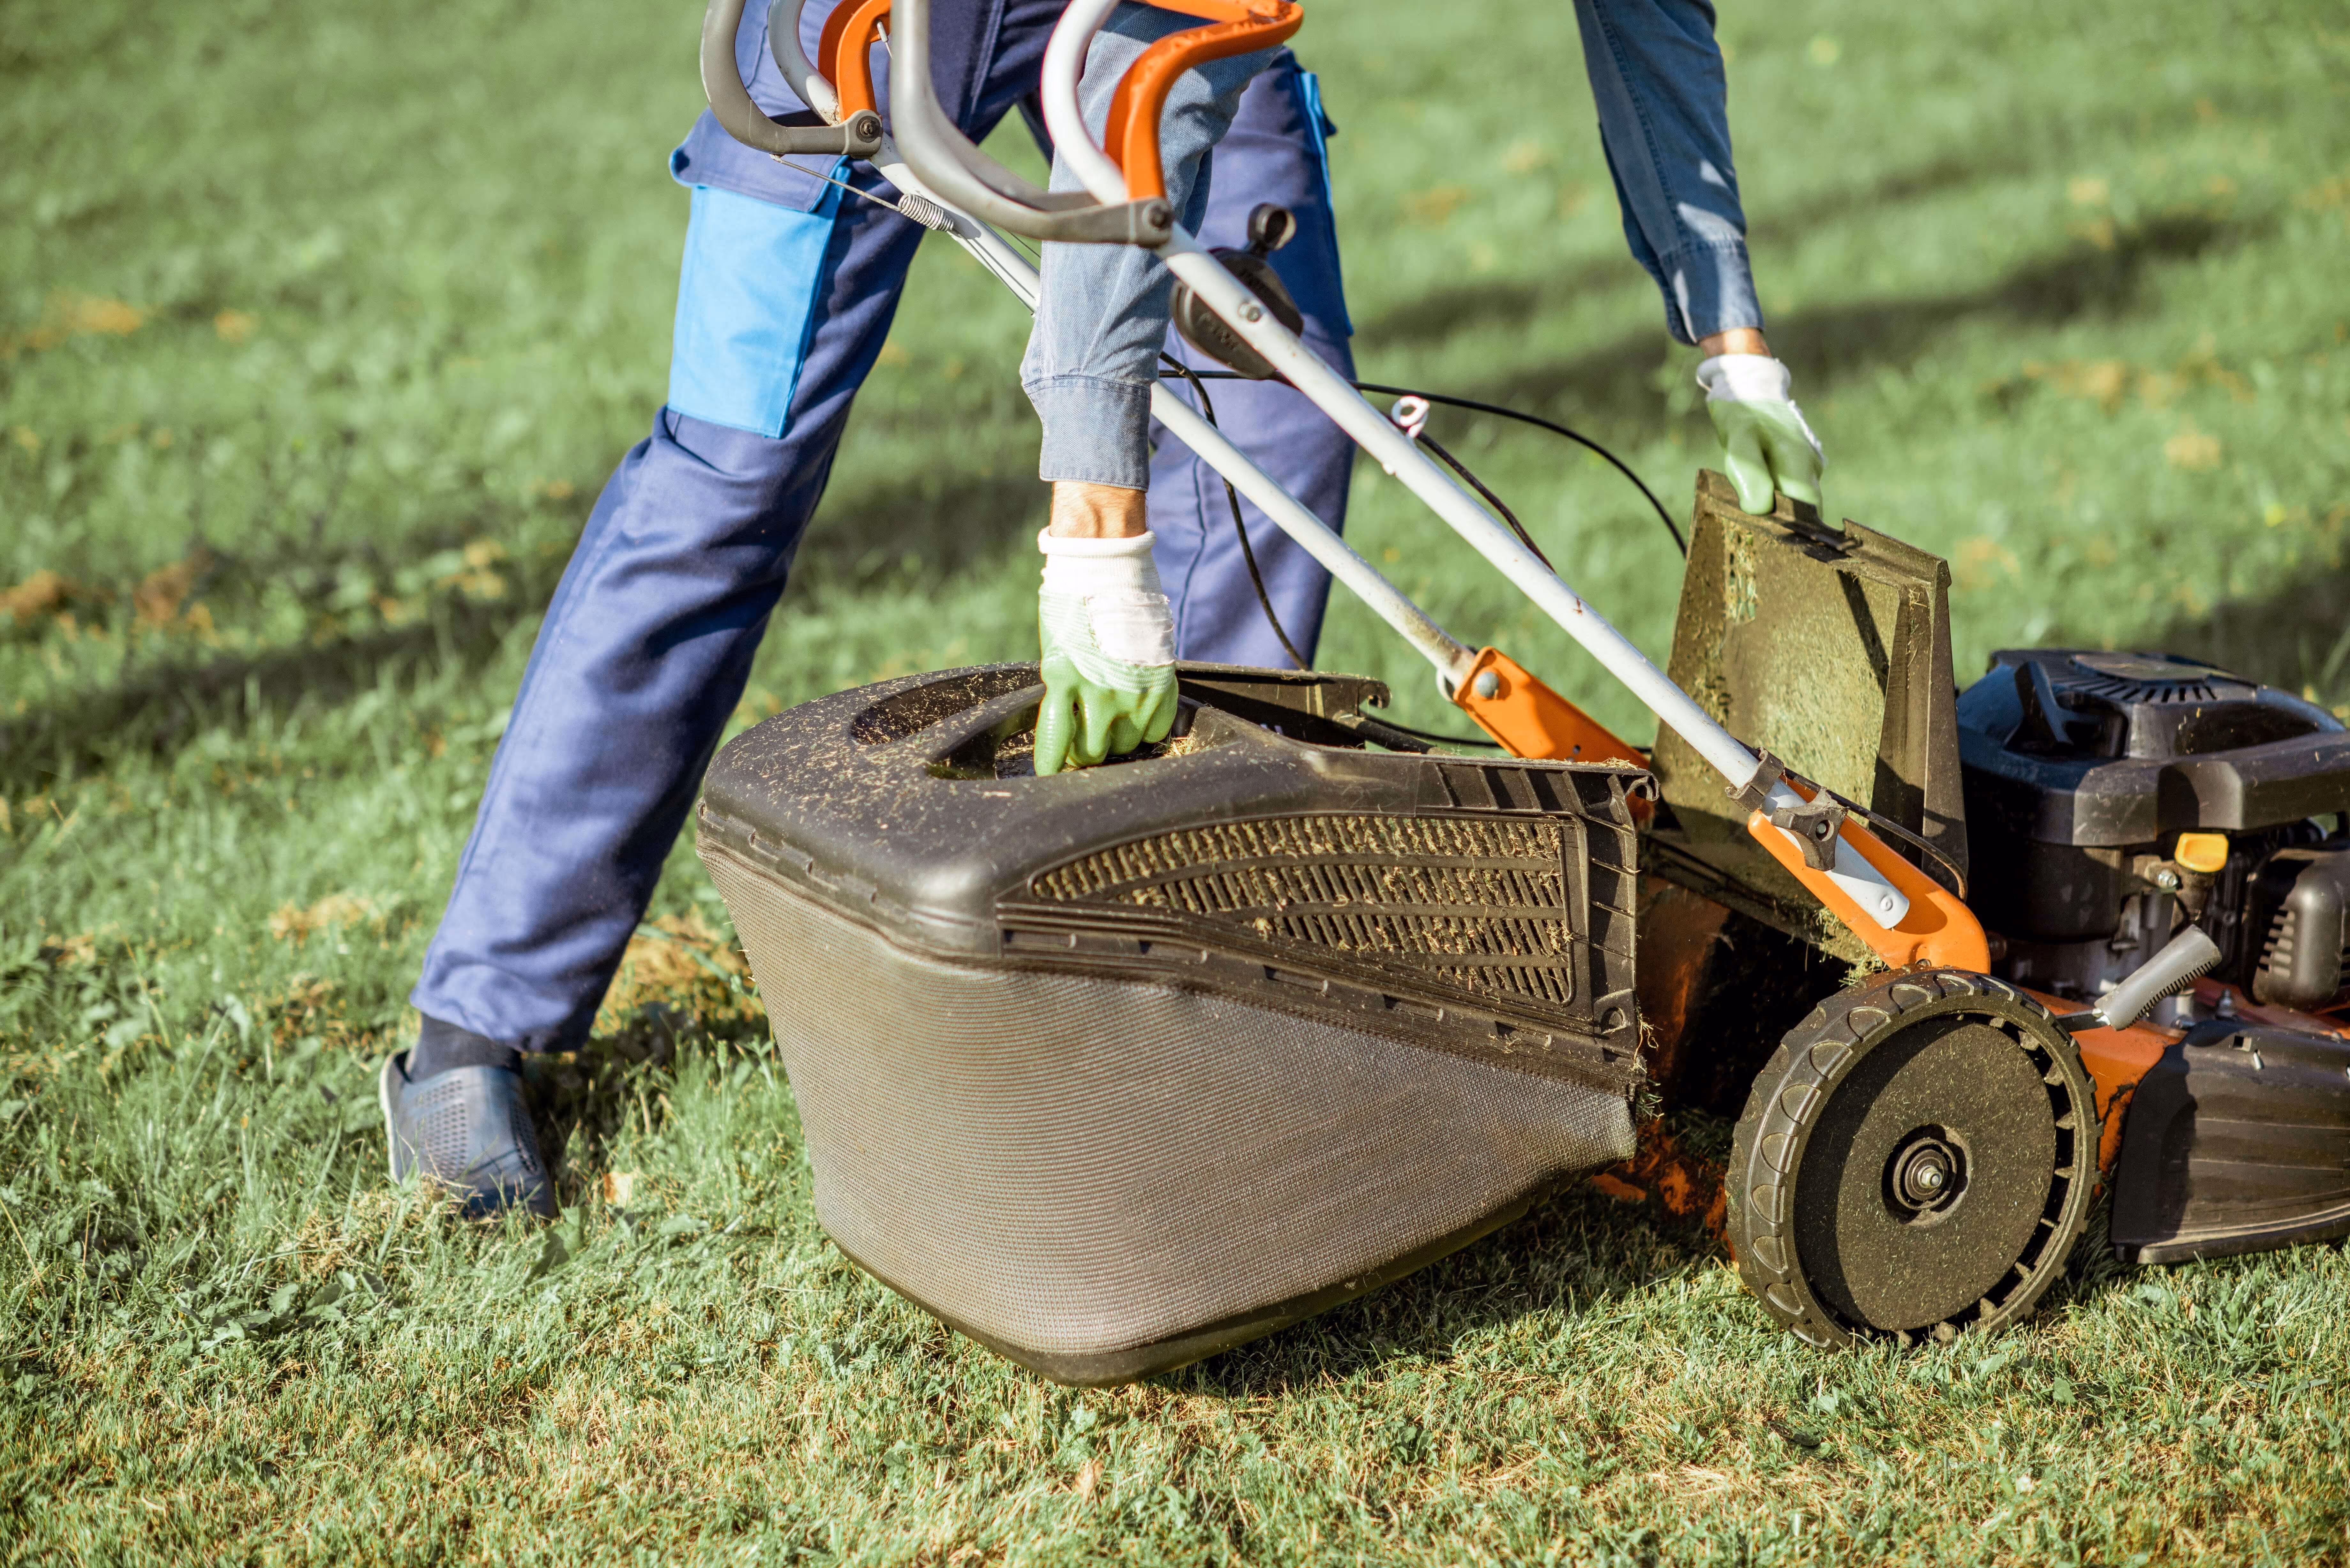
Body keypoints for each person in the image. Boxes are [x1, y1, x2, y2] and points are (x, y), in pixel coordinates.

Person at [381, 0, 1823, 1220]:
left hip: (1178, 25)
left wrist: (1730, 338)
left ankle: (1189, 954)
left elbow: (1643, 21)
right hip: (893, 24)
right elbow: (1122, 141)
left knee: (1280, 417)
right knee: (727, 476)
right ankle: (479, 1026)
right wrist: (1096, 541)